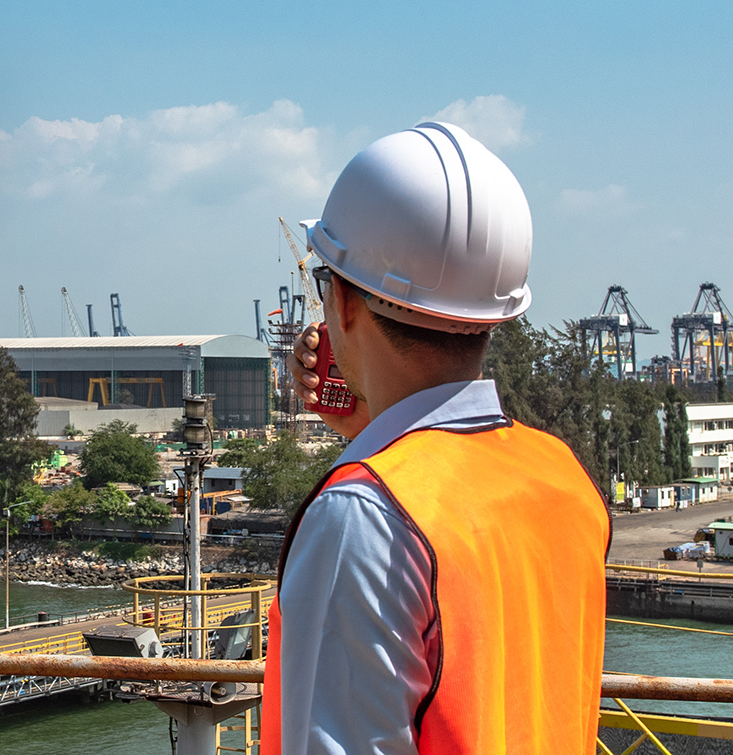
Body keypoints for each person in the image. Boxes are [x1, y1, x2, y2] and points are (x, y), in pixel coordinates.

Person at [261, 121, 609, 754]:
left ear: (340, 304)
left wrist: (373, 457)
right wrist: (370, 433)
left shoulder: (362, 517)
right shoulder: (561, 477)